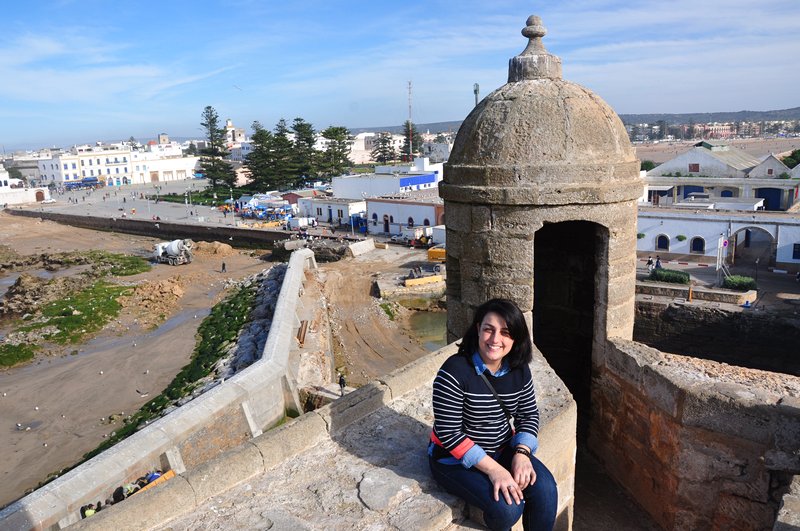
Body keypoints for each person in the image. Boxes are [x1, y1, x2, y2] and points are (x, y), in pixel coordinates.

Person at [428, 298, 558, 531]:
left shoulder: (519, 370)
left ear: (515, 338)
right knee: (508, 508)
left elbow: (528, 414)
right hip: (452, 460)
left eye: (505, 332)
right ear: (478, 329)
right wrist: (495, 470)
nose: (495, 339)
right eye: (489, 329)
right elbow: (449, 433)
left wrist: (521, 452)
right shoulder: (454, 372)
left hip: (500, 448)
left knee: (545, 489)